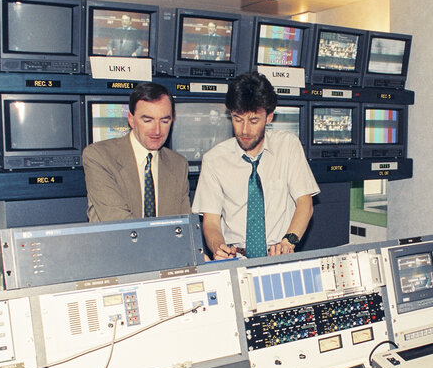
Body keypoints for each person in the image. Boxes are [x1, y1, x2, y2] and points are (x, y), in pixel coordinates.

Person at [192, 72, 319, 259]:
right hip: (236, 258)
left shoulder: (288, 146)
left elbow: (305, 204)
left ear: (268, 117)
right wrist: (218, 247)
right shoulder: (214, 160)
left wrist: (288, 241)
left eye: (253, 121)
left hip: (280, 254)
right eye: (238, 119)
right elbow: (211, 221)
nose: (244, 130)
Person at [82, 82, 190, 221]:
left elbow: (185, 225)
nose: (157, 131)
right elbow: (118, 221)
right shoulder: (99, 156)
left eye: (164, 121)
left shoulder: (178, 164)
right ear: (131, 120)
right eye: (147, 120)